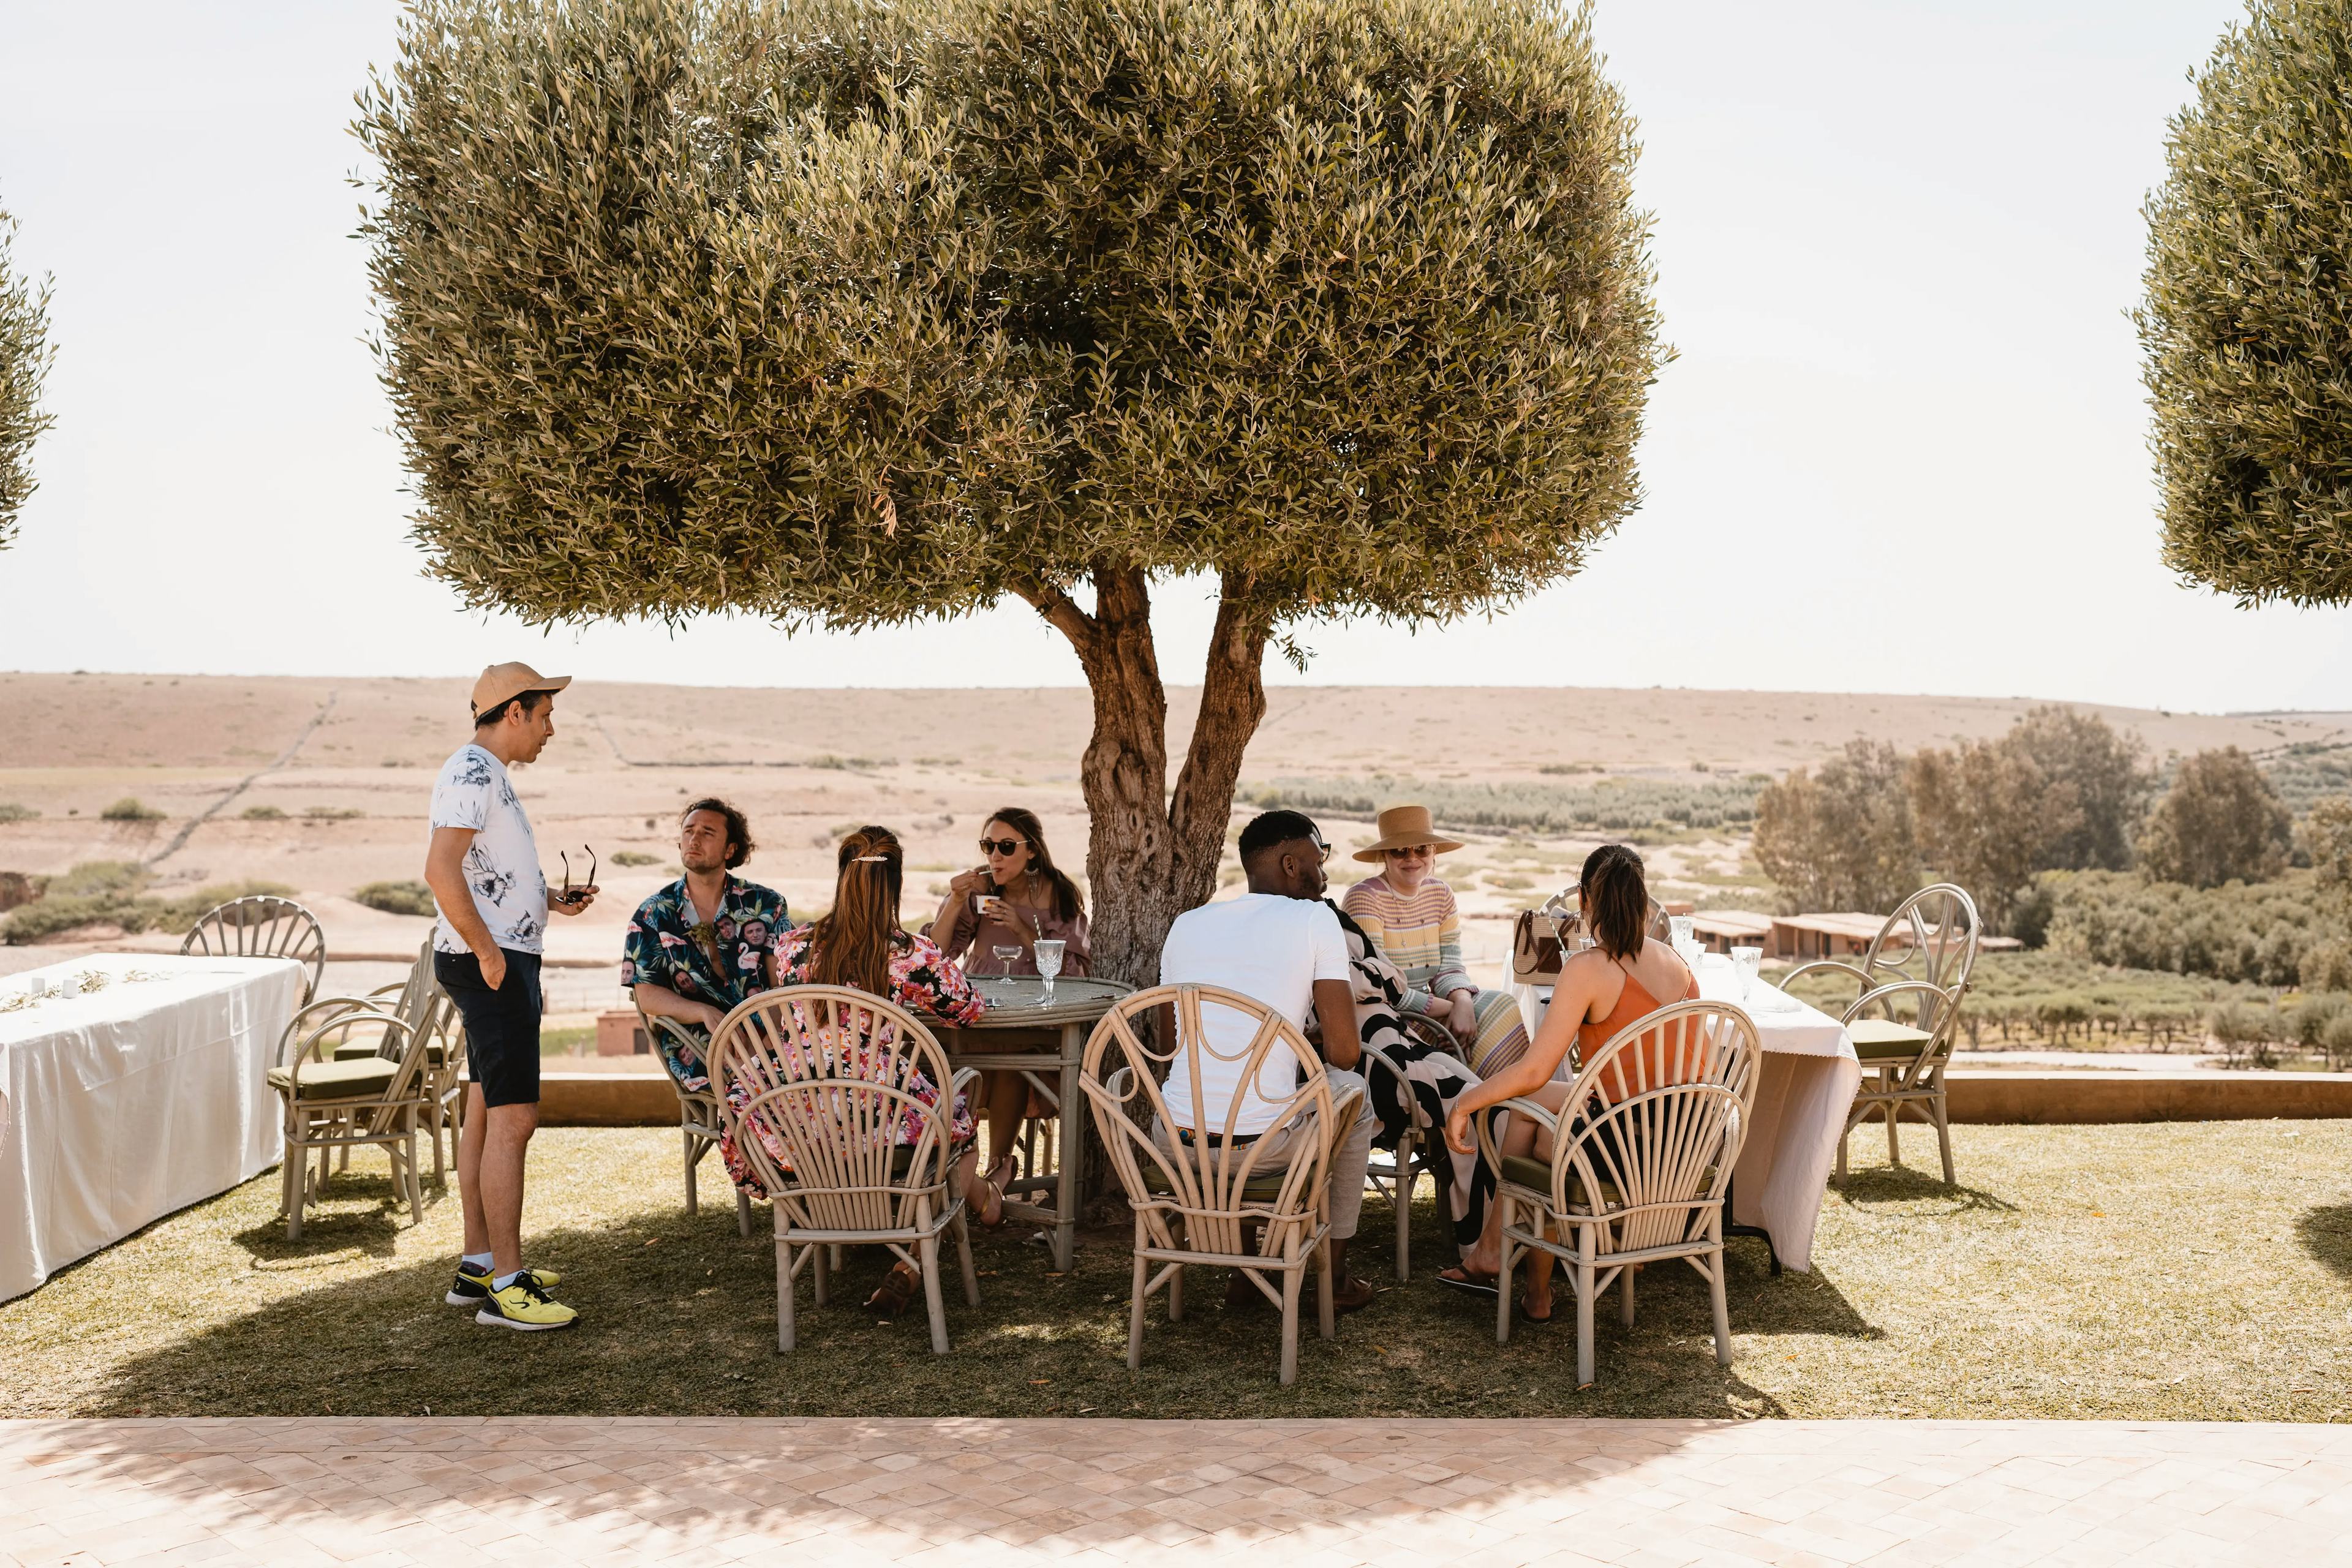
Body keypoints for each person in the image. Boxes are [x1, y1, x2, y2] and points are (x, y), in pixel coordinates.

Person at [726, 826, 1005, 1319]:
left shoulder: (792, 948)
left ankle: (844, 1220)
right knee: (955, 1119)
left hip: (798, 1128)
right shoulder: (911, 955)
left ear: (841, 878)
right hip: (879, 1126)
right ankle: (921, 1254)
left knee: (916, 1117)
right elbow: (968, 1011)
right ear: (894, 884)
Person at [1439, 843, 1698, 1324]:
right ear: (1644, 901)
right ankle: (1495, 1256)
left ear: (1583, 901)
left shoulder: (1589, 968)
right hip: (1681, 1139)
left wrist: (1464, 1105)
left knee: (1542, 1137)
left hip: (1628, 1145)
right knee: (1525, 1106)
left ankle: (1524, 1282)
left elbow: (1536, 1068)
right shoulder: (1677, 963)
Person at [422, 663, 598, 1332]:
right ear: (515, 712)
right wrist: (492, 953)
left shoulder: (485, 774)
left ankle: (480, 1262)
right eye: (546, 715)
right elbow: (440, 870)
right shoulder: (472, 771)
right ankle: (507, 1285)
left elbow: (482, 869)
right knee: (515, 1121)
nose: (552, 728)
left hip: (491, 959)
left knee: (485, 1112)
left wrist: (550, 899)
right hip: (492, 966)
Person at [1157, 809, 1378, 1314]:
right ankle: (1335, 1275)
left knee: (1240, 1099)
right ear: (1291, 865)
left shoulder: (1187, 923)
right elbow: (1345, 1053)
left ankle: (1244, 1273)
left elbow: (1170, 1043)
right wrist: (1295, 1038)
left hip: (1174, 1142)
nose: (1324, 878)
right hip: (1265, 1149)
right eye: (1318, 864)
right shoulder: (1315, 918)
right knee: (1353, 1098)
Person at [926, 805, 1091, 1199]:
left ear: (1031, 850)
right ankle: (982, 1174)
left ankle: (993, 1170)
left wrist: (1019, 926)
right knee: (972, 1053)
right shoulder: (979, 891)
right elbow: (934, 956)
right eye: (988, 846)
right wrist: (954, 900)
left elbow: (1073, 975)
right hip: (982, 1013)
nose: (995, 857)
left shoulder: (1060, 895)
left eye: (1005, 847)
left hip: (1038, 1019)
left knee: (1013, 1056)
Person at [1324, 899, 1492, 1256]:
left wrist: (1366, 975)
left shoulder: (1334, 916)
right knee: (1471, 1105)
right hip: (1370, 1059)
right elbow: (1351, 983)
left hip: (1399, 1040)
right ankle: (1481, 1247)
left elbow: (1393, 981)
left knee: (1487, 1100)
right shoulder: (1301, 928)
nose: (1323, 870)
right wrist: (1369, 975)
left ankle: (1496, 1234)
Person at [1341, 804, 1531, 1076]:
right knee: (1466, 1035)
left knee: (1502, 1005)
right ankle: (1481, 1101)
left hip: (1434, 1011)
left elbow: (1451, 967)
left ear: (1433, 853)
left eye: (1422, 849)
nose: (1412, 858)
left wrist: (1463, 1002)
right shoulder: (1364, 898)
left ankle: (1506, 1097)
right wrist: (1448, 1010)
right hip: (1387, 1015)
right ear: (1385, 855)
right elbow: (1379, 984)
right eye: (1400, 850)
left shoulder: (1441, 894)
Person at [622, 798, 788, 1090]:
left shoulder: (766, 904)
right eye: (688, 831)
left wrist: (766, 1041)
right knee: (760, 1082)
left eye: (707, 833)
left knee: (808, 1073)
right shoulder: (653, 913)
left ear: (730, 849)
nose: (694, 839)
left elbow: (783, 985)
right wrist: (703, 1013)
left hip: (765, 1032)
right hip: (697, 1042)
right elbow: (646, 994)